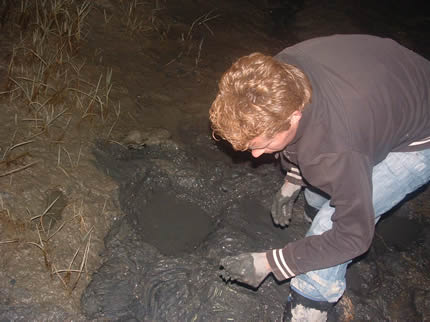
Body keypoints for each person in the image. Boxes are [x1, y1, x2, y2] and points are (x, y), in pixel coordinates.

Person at [209, 34, 430, 321]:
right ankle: (324, 244)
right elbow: (309, 136)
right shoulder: (273, 77)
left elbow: (354, 236)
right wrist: (292, 181)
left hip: (422, 133)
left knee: (330, 224)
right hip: (386, 88)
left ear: (294, 116)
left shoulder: (337, 148)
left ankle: (310, 306)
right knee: (323, 189)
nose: (255, 155)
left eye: (262, 144)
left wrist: (270, 263)